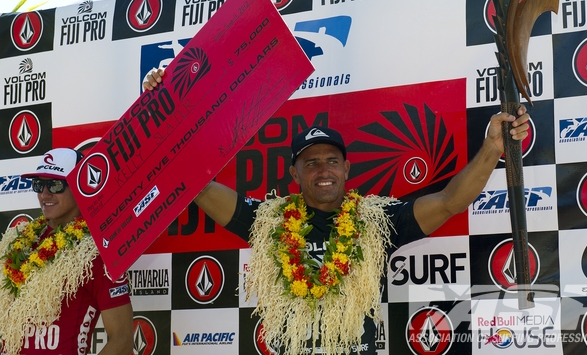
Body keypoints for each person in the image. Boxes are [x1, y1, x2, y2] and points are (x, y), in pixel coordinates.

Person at [145, 68, 530, 354]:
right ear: (295, 173)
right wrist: (165, 111)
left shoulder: (375, 221)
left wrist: (492, 149)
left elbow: (449, 201)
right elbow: (194, 183)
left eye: (332, 160)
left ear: (347, 169)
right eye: (311, 163)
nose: (323, 170)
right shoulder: (268, 221)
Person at [0, 148, 134, 355]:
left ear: (79, 186)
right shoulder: (19, 239)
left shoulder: (96, 252)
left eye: (55, 184)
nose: (45, 194)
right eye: (39, 185)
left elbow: (122, 340)